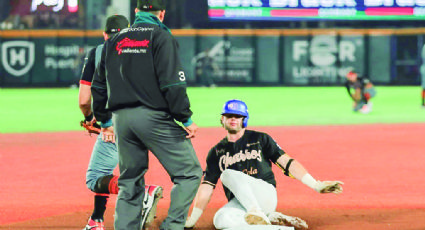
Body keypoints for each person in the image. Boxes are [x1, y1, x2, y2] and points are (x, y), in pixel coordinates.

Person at [91, 1, 203, 230]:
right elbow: (173, 84)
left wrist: (104, 121)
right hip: (153, 118)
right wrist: (186, 119)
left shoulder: (114, 40)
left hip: (121, 120)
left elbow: (99, 86)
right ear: (161, 13)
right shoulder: (161, 36)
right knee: (189, 173)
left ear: (136, 12)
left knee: (129, 180)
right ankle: (171, 227)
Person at [185, 99, 344, 230]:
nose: (233, 118)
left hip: (265, 194)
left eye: (237, 116)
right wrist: (192, 219)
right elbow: (207, 186)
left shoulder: (260, 139)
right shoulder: (216, 152)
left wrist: (316, 184)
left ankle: (258, 212)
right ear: (222, 119)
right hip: (241, 202)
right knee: (221, 220)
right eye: (229, 115)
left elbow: (287, 163)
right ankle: (276, 227)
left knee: (227, 174)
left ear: (244, 119)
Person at [79, 14, 163, 230]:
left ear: (104, 34)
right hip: (148, 119)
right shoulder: (147, 49)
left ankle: (143, 191)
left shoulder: (98, 52)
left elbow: (84, 100)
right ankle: (96, 219)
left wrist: (92, 119)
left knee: (96, 177)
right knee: (108, 169)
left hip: (116, 122)